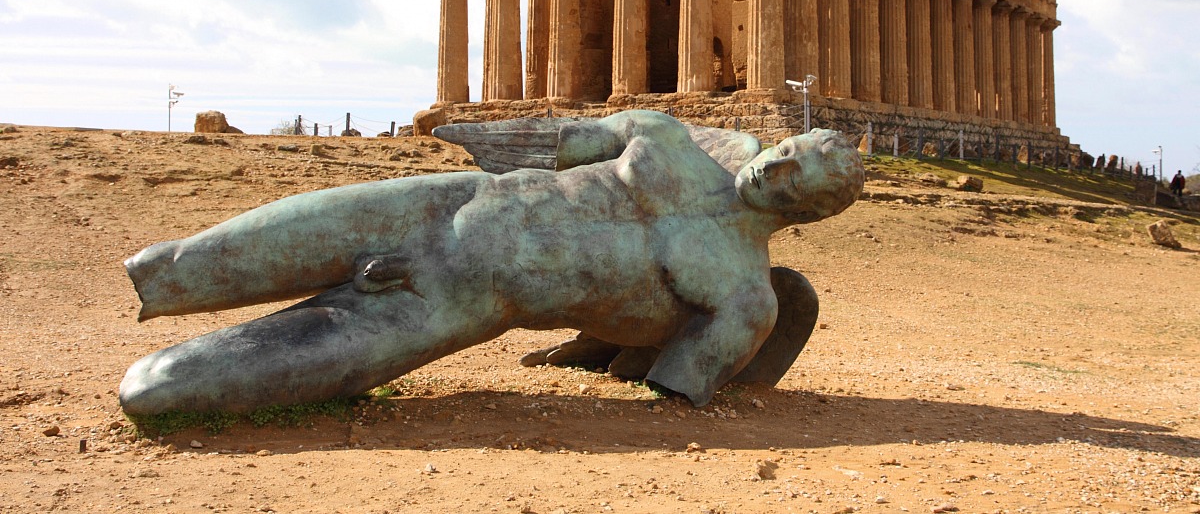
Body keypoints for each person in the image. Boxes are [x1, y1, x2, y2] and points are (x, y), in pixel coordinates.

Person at [119, 110, 863, 416]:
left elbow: (673, 381)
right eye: (786, 154)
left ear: (812, 214)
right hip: (443, 203)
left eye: (800, 182)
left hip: (456, 305)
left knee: (157, 390)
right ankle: (166, 279)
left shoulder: (744, 298)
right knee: (169, 266)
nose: (777, 173)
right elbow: (554, 140)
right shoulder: (662, 135)